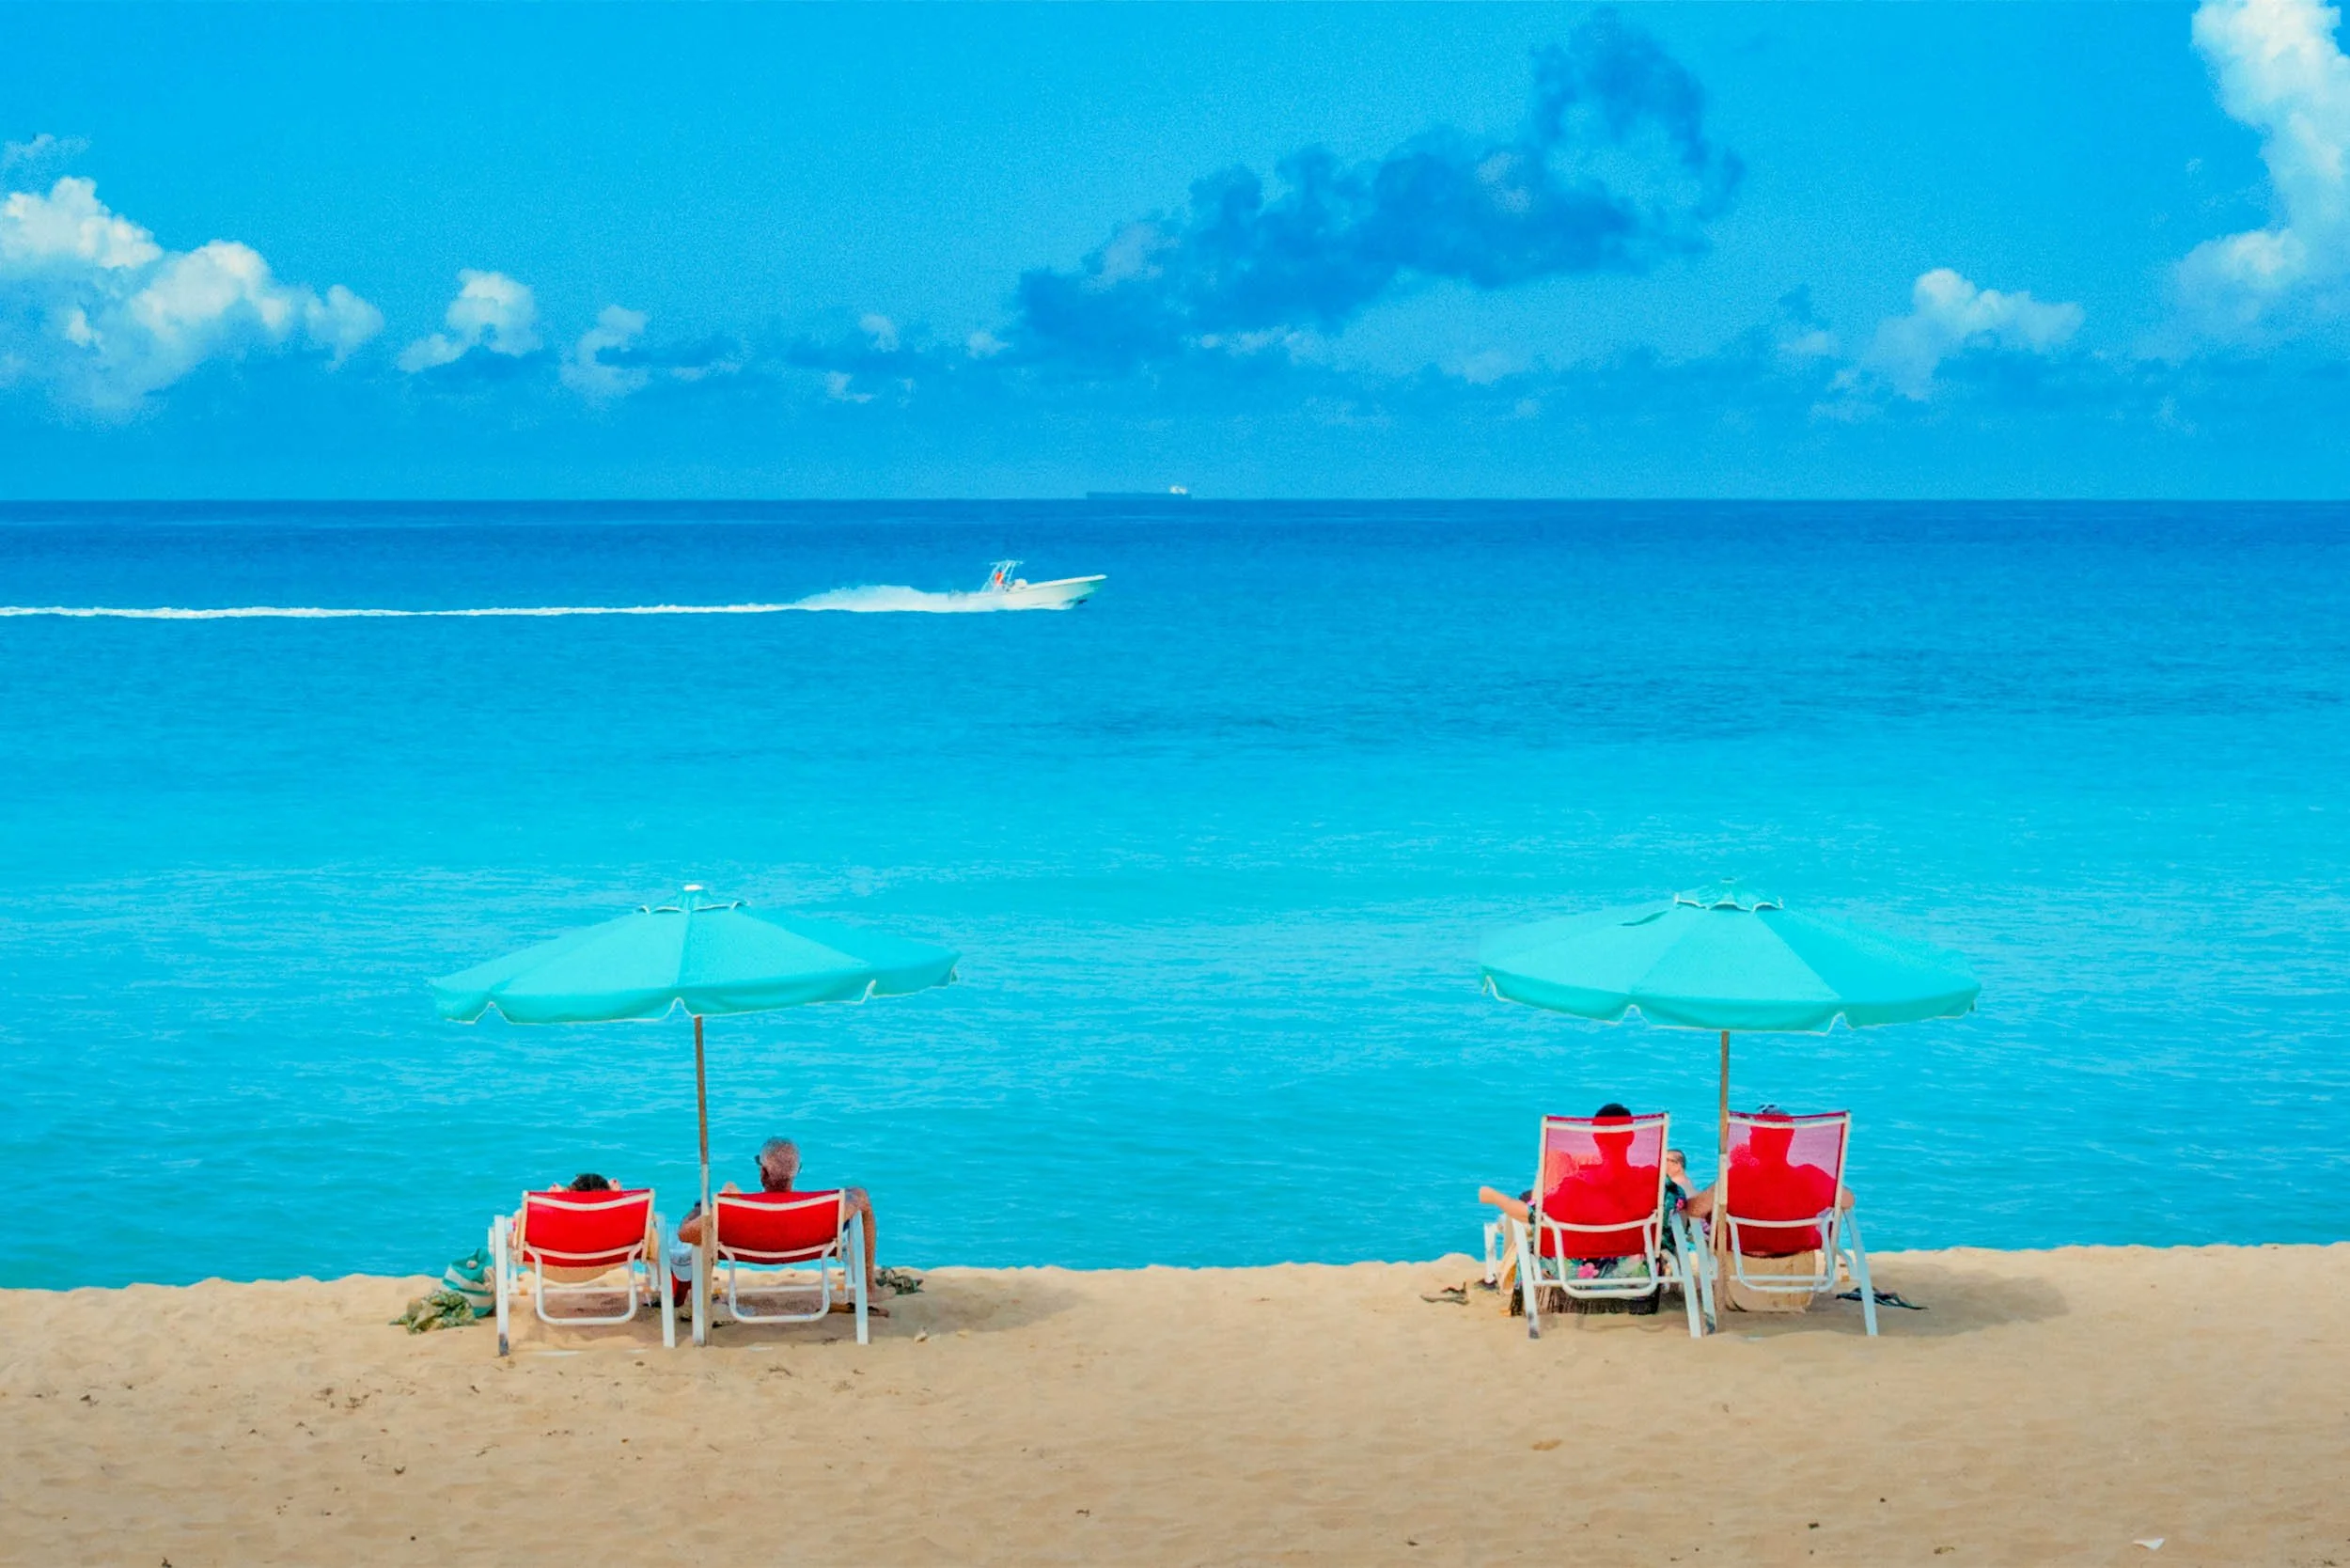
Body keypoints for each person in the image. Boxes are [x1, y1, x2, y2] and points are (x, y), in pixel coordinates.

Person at [676, 1137, 880, 1298]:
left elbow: (685, 1234)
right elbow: (861, 1199)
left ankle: (697, 1296)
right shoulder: (825, 1206)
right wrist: (854, 1194)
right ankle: (868, 1287)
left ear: (763, 1172)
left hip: (745, 1251)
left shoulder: (731, 1208)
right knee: (861, 1200)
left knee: (705, 1234)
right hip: (807, 1248)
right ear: (797, 1171)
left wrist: (700, 1209)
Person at [1680, 1106, 1853, 1254]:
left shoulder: (1738, 1177)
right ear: (1788, 1140)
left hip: (1742, 1256)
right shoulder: (1811, 1177)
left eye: (1753, 1132)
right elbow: (1847, 1200)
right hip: (1796, 1252)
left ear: (1759, 1140)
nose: (1750, 1137)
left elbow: (1696, 1209)